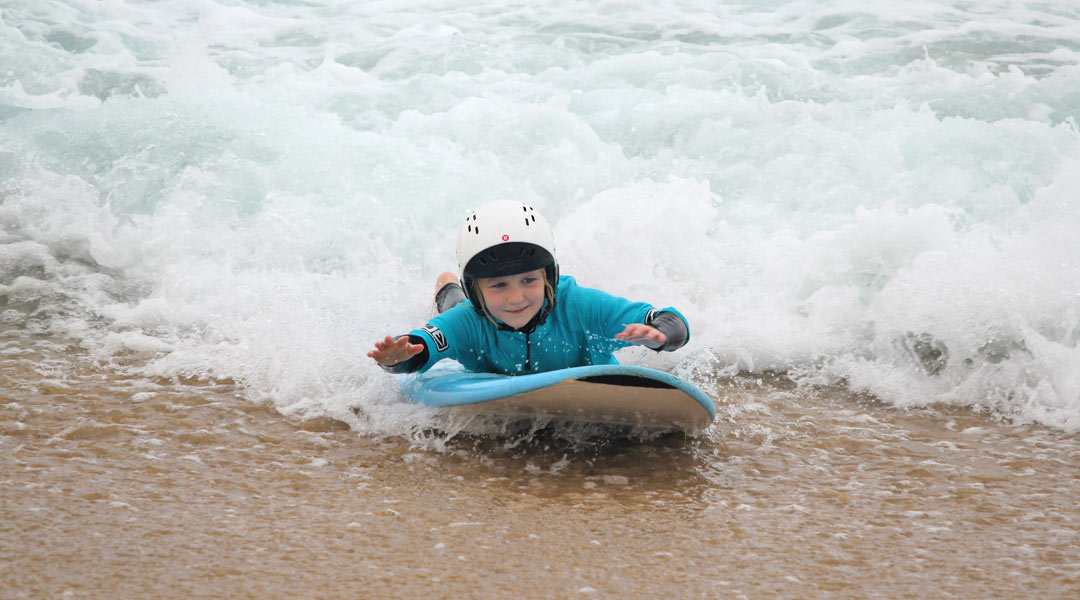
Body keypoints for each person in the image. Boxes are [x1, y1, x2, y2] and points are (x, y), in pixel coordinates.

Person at [368, 202, 690, 375]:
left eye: (529, 280)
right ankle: (448, 287)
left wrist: (661, 333)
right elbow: (422, 345)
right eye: (497, 285)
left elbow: (670, 320)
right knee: (454, 307)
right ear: (475, 287)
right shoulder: (468, 322)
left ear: (549, 276)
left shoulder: (579, 307)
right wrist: (398, 356)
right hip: (464, 312)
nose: (516, 298)